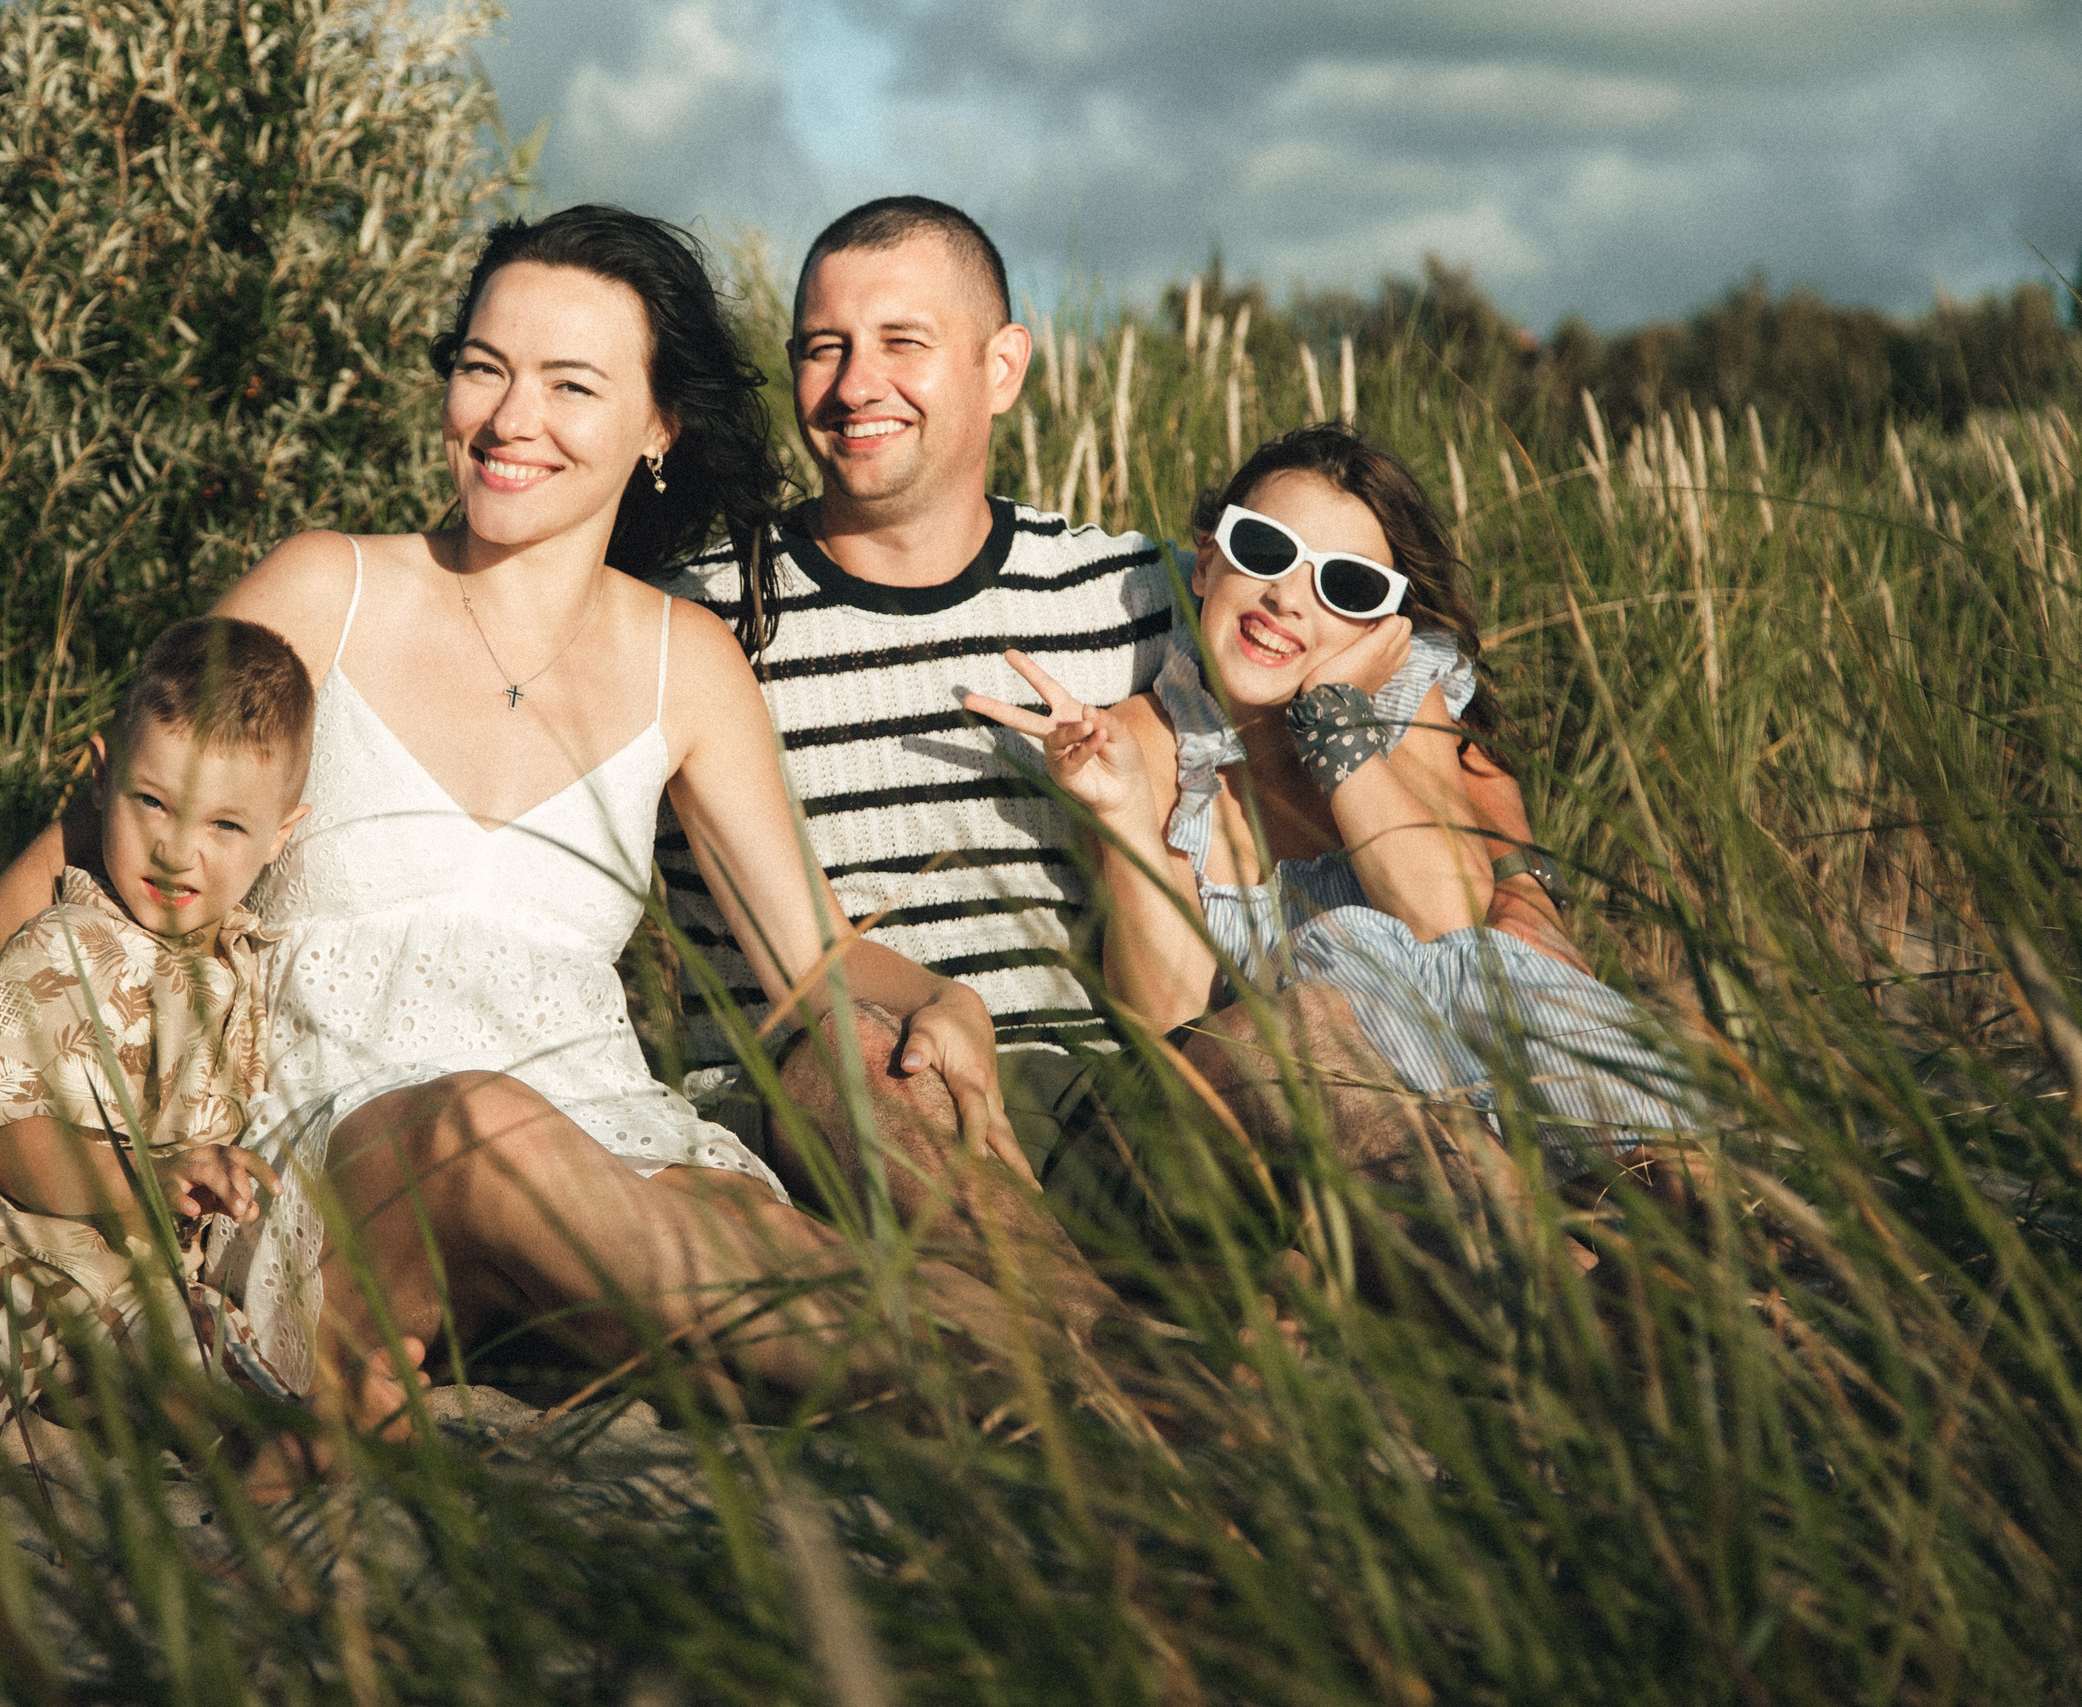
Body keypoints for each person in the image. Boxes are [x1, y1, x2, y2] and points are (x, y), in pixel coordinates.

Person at [0, 205, 1078, 1420]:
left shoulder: (685, 656)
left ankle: (1092, 1373)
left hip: (605, 1138)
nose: (512, 421)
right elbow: (86, 840)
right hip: (341, 1151)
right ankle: (999, 1373)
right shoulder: (328, 587)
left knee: (739, 1198)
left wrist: (937, 997)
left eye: (571, 385)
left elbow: (804, 956)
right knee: (484, 1129)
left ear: (659, 425)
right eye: (482, 370)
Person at [655, 196, 1577, 1254]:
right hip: (834, 1113)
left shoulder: (1133, 588)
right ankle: (1100, 1372)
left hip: (1100, 1103)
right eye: (825, 348)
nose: (857, 384)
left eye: (902, 343)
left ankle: (1568, 1322)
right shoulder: (697, 616)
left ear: (1001, 368)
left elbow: (1364, 642)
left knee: (1312, 1038)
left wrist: (1518, 882)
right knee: (859, 1063)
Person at [967, 423, 1695, 1193]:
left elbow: (1448, 922)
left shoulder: (1398, 701)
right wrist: (1119, 817)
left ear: (1383, 626)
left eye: (1345, 586)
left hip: (1514, 1100)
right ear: (1208, 561)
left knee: (1438, 955)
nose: (1288, 597)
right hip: (1344, 1146)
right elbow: (1169, 1016)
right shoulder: (1144, 744)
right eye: (1265, 549)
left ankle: (1685, 1185)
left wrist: (1334, 722)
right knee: (1340, 946)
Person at [0, 618, 331, 1475]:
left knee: (217, 1345)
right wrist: (144, 1174)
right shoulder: (65, 942)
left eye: (226, 826)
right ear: (101, 776)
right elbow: (10, 1138)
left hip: (139, 1288)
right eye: (152, 802)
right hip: (12, 1248)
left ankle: (286, 1432)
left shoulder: (242, 971)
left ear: (283, 834)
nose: (178, 849)